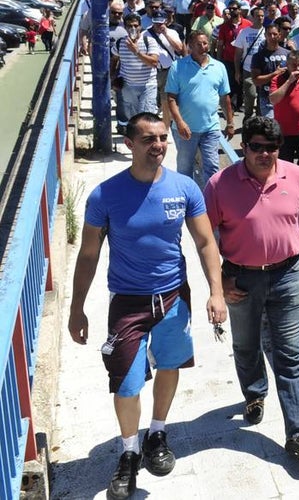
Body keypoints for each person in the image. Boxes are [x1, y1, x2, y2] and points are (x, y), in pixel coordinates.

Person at [69, 113, 226, 499]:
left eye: (162, 138)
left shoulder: (185, 188)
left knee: (171, 365)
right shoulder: (104, 195)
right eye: (148, 139)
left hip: (174, 297)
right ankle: (128, 453)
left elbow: (206, 243)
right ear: (130, 144)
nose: (158, 145)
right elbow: (88, 255)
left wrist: (216, 291)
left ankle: (157, 432)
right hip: (128, 302)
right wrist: (76, 308)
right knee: (126, 382)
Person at [203, 116, 299, 457]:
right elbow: (205, 239)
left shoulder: (297, 176)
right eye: (257, 147)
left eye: (271, 148)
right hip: (241, 278)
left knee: (290, 353)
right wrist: (220, 281)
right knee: (246, 344)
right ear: (244, 147)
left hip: (287, 276)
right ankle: (255, 393)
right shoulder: (219, 184)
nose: (265, 154)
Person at [166, 30, 234, 187]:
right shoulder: (178, 67)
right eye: (198, 44)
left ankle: (209, 202)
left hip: (210, 128)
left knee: (212, 168)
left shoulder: (219, 67)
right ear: (190, 46)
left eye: (205, 43)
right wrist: (180, 122)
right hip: (185, 130)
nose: (203, 47)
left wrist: (230, 122)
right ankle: (188, 201)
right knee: (185, 170)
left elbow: (225, 98)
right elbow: (171, 98)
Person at [112, 13, 162, 121]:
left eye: (135, 25)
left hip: (147, 86)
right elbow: (114, 60)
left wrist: (136, 51)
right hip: (128, 86)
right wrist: (113, 78)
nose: (133, 28)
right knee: (133, 120)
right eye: (129, 26)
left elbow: (153, 62)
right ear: (125, 27)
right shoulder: (120, 42)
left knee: (146, 118)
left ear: (140, 26)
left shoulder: (149, 41)